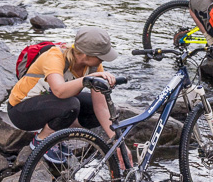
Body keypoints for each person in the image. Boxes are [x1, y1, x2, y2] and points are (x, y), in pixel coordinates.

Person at [7, 27, 126, 164]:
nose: (103, 60)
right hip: (20, 110)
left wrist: (118, 142)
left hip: (48, 105)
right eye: (101, 56)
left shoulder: (94, 66)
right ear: (87, 55)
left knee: (93, 108)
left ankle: (56, 136)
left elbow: (101, 108)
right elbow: (59, 91)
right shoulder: (55, 56)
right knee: (71, 105)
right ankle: (42, 139)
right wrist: (87, 79)